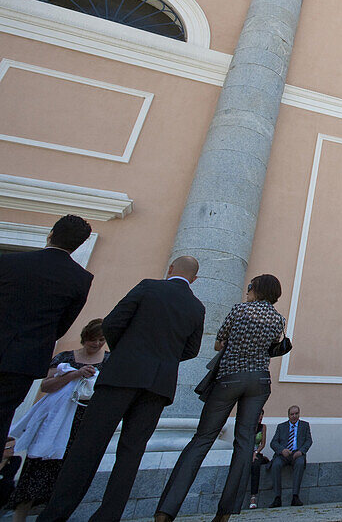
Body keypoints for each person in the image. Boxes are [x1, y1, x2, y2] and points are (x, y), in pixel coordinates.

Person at [37, 256, 205, 522]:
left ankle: (55, 514)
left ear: (170, 269)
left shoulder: (148, 287)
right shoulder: (196, 307)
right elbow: (192, 349)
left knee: (88, 446)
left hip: (121, 376)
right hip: (158, 386)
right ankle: (108, 516)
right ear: (194, 279)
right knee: (131, 453)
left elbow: (112, 323)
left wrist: (124, 352)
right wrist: (163, 360)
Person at [156, 272, 286, 521]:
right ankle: (226, 513)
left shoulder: (239, 310)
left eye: (250, 287)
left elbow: (218, 344)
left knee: (202, 439)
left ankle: (166, 510)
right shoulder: (279, 320)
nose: (247, 290)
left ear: (256, 289)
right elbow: (271, 349)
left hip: (230, 377)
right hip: (259, 381)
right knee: (245, 444)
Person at [0, 214, 93, 444]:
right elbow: (62, 326)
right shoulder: (80, 278)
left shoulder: (9, 262)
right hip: (24, 361)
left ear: (51, 233)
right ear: (78, 245)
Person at [8, 319, 108, 521]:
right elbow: (46, 386)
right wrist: (75, 374)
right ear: (84, 338)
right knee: (36, 467)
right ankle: (20, 515)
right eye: (92, 340)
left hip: (81, 422)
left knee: (65, 474)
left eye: (101, 340)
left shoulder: (109, 361)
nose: (96, 344)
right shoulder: (66, 357)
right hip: (54, 420)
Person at [269, 406, 312, 507]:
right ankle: (277, 497)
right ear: (288, 415)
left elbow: (309, 440)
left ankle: (295, 496)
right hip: (283, 454)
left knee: (300, 463)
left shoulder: (305, 425)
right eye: (292, 414)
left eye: (296, 414)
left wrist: (301, 451)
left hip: (297, 454)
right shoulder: (281, 426)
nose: (294, 416)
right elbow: (273, 442)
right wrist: (281, 450)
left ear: (299, 414)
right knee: (275, 465)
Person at [248, 410, 268, 509]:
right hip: (247, 452)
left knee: (255, 465)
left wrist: (255, 453)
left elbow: (263, 444)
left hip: (257, 452)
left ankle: (253, 497)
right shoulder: (247, 427)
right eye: (259, 416)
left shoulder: (263, 427)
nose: (260, 418)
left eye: (262, 416)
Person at [1, 436, 19, 509]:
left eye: (13, 447)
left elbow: (7, 475)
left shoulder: (15, 460)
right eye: (9, 448)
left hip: (5, 492)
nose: (12, 450)